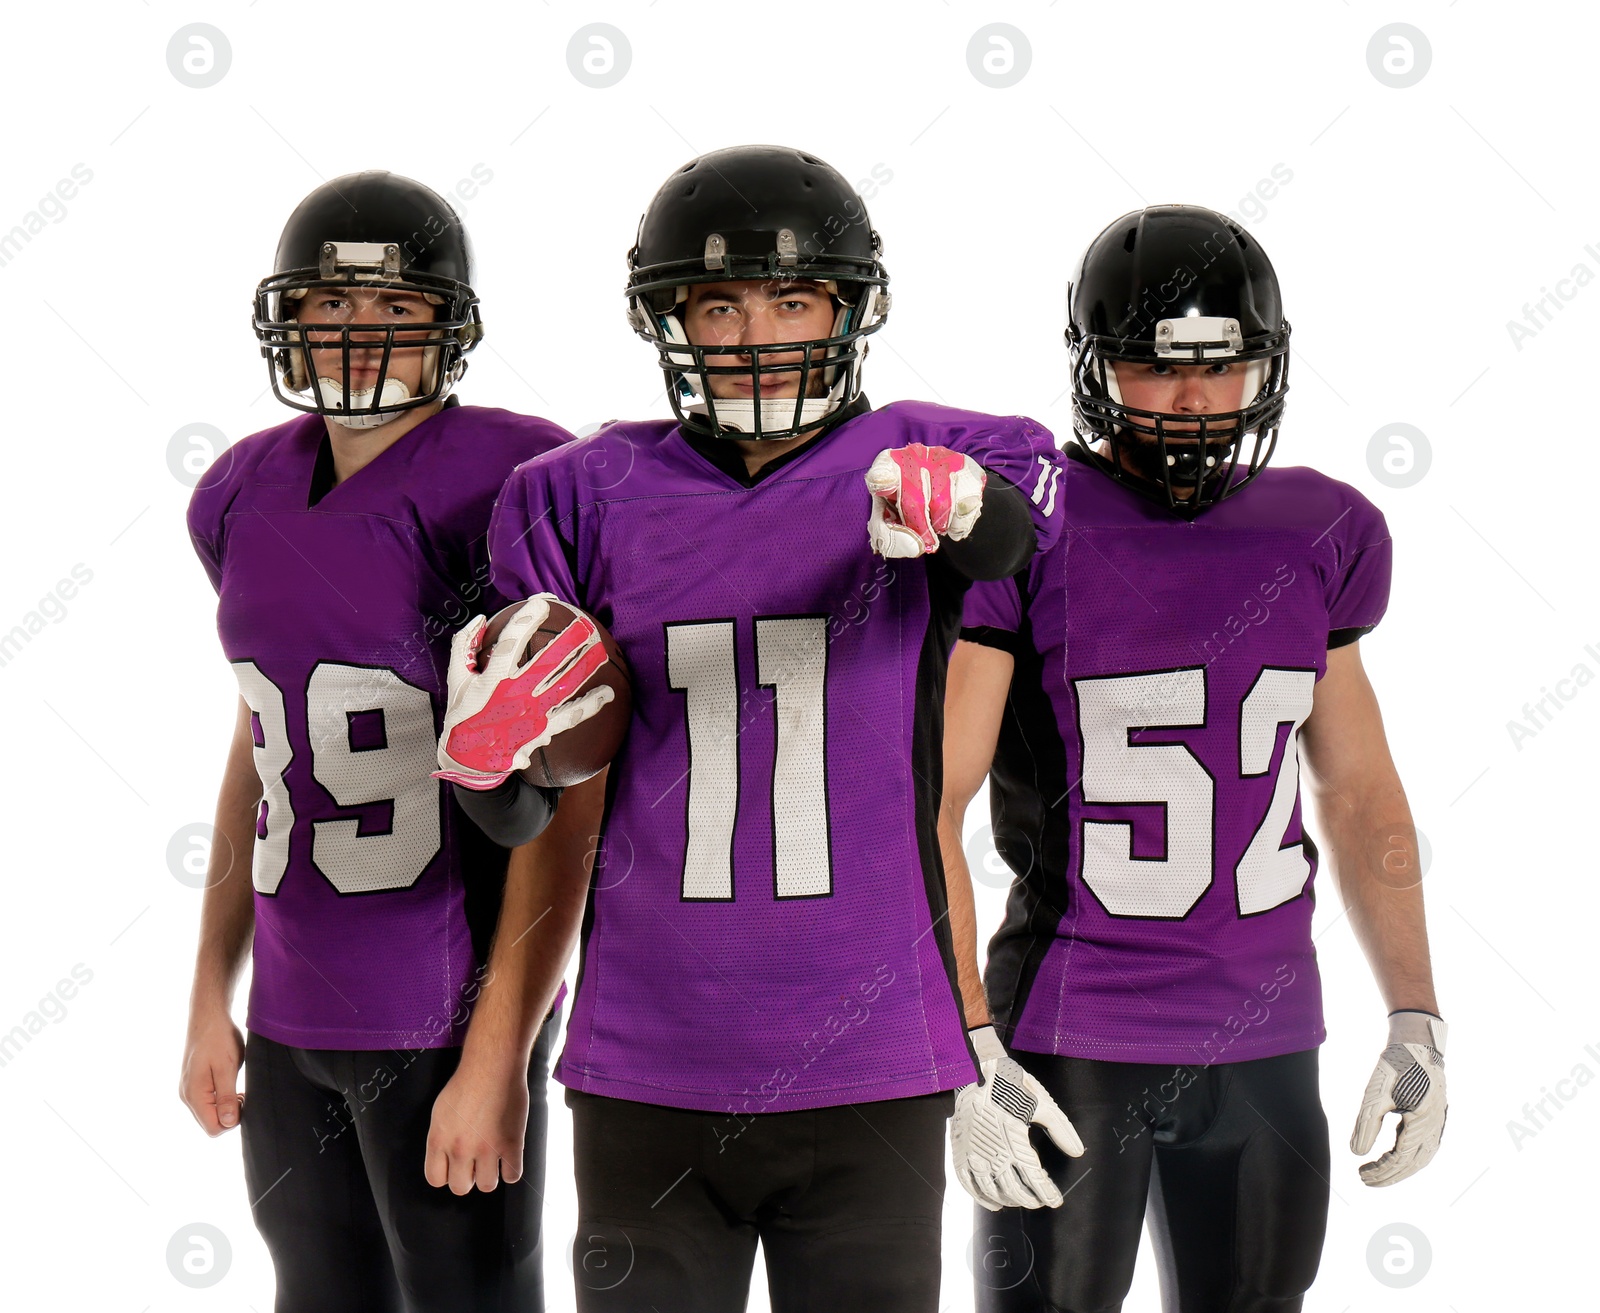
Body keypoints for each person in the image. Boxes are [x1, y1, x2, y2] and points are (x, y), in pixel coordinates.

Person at [457, 143, 1064, 1313]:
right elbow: (544, 793)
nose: (754, 334)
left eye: (791, 299)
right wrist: (488, 771)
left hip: (874, 1056)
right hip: (647, 1058)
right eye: (718, 303)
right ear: (668, 318)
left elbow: (1015, 537)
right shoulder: (579, 492)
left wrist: (960, 508)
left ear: (846, 309)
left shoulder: (932, 454)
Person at [943, 204, 1447, 1312]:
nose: (1191, 398)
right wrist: (964, 1036)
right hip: (1071, 1034)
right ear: (1094, 366)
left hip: (1267, 1034)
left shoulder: (1323, 528)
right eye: (1154, 365)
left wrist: (1416, 1012)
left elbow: (1358, 793)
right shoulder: (1029, 523)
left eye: (1225, 367)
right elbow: (933, 801)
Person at [179, 170, 576, 1313]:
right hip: (294, 1007)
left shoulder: (515, 477)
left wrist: (501, 1045)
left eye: (394, 311)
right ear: (287, 316)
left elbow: (561, 795)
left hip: (437, 1001)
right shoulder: (237, 489)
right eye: (331, 307)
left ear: (448, 326)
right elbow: (264, 740)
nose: (357, 335)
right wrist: (212, 987)